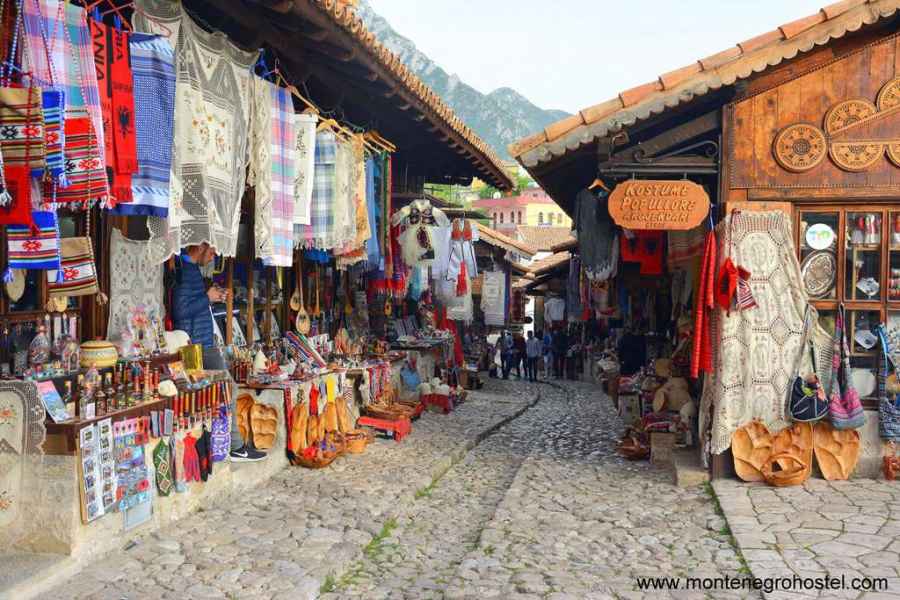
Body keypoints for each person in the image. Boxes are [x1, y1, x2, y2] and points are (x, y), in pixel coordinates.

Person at [173, 242, 266, 462]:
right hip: (197, 346)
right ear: (200, 246)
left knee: (219, 393)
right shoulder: (186, 272)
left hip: (202, 343)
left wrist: (211, 298)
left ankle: (226, 444)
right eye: (212, 250)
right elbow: (180, 311)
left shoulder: (190, 270)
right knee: (228, 389)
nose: (214, 255)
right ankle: (235, 447)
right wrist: (208, 297)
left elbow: (191, 307)